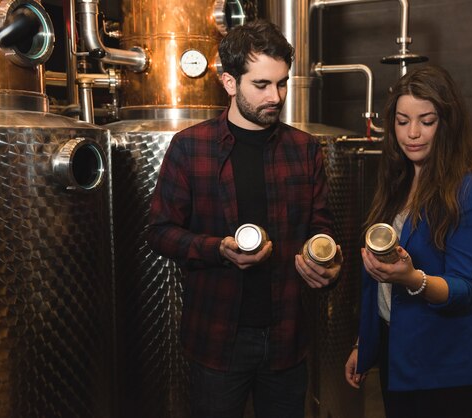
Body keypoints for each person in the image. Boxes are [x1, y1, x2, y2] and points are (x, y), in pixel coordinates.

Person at [146, 19, 342, 418]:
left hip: (287, 338)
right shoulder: (190, 147)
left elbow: (321, 227)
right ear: (229, 82)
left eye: (282, 83)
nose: (276, 96)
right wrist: (216, 248)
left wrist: (326, 260)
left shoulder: (305, 149)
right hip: (218, 338)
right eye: (262, 85)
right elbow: (160, 232)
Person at [344, 65, 472, 418]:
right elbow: (377, 284)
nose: (412, 133)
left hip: (447, 368)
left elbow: (465, 289)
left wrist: (411, 278)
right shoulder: (394, 185)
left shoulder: (470, 191)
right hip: (397, 356)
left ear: (447, 122)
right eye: (402, 121)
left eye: (426, 121)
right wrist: (364, 344)